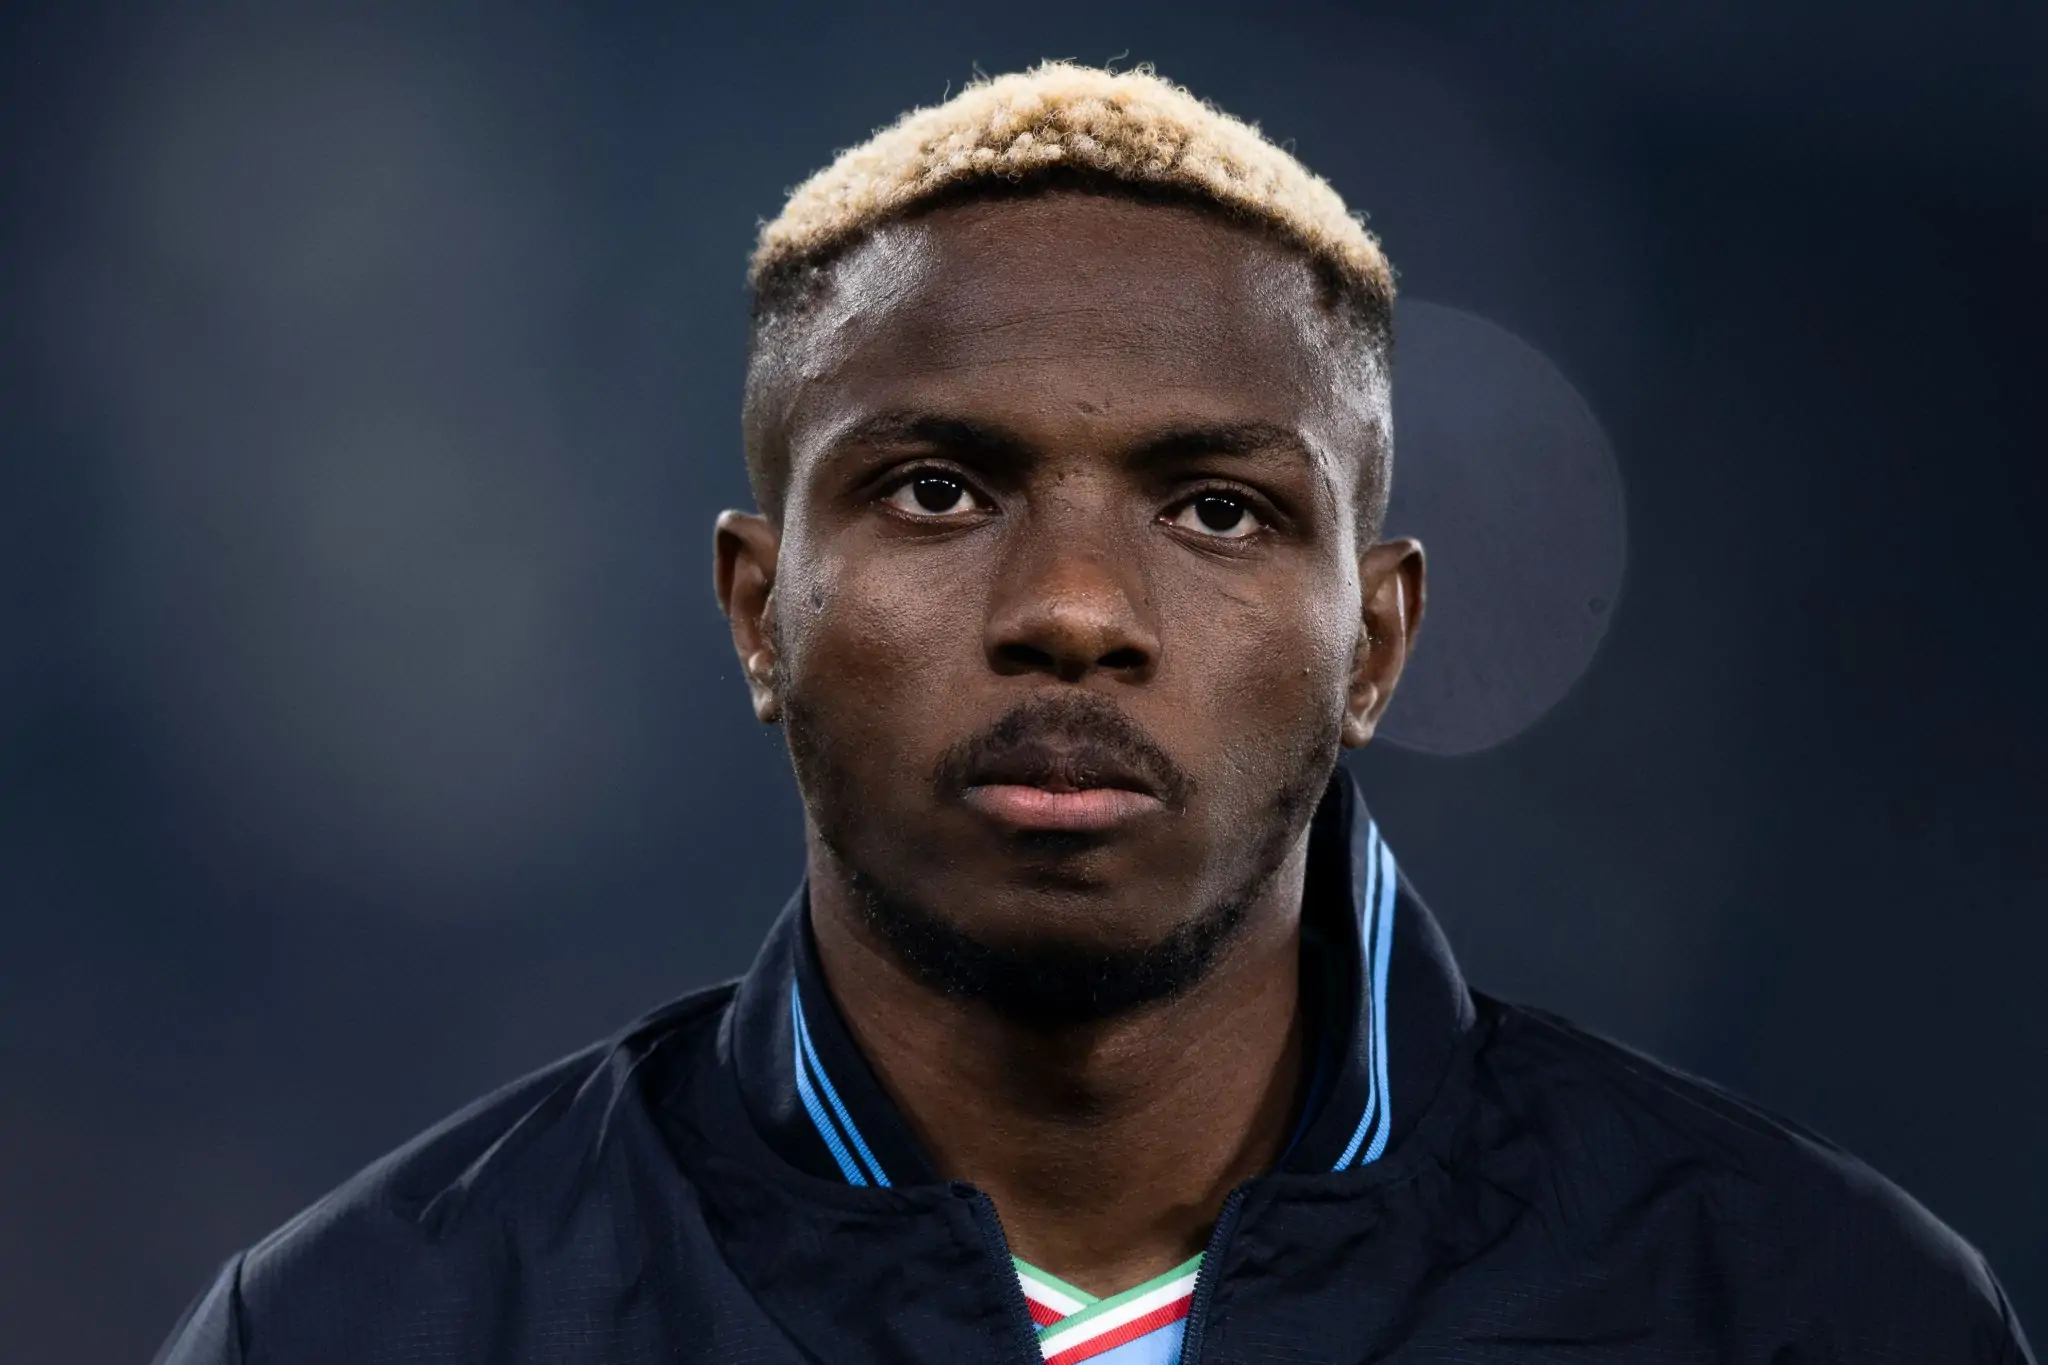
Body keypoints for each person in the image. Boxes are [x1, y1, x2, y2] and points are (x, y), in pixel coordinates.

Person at [154, 60, 2035, 1365]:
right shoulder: (365, 1329)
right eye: (937, 491)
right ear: (757, 612)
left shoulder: (1809, 1312)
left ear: (1376, 643)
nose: (1071, 611)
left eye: (1215, 509)